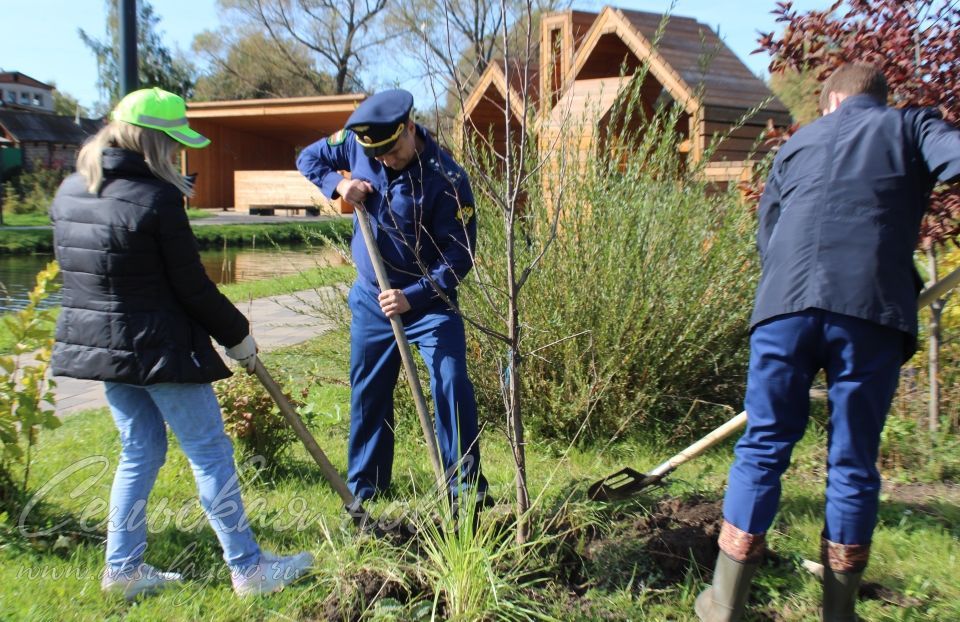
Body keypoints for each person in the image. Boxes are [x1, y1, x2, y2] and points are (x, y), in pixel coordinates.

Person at [695, 64, 960, 622]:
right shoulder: (911, 126)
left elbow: (769, 236)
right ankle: (838, 613)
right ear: (878, 99)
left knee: (763, 445)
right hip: (869, 312)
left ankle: (722, 603)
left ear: (832, 102)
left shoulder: (797, 144)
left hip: (783, 308)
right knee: (853, 459)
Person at [50, 87, 313, 600]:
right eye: (171, 145)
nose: (176, 155)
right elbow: (191, 286)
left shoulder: (69, 191)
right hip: (161, 348)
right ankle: (250, 570)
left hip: (107, 352)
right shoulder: (157, 197)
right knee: (210, 453)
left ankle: (122, 572)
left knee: (138, 451)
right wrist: (238, 339)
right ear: (151, 142)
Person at [296, 89, 488, 506]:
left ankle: (465, 491)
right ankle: (368, 490)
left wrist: (413, 297)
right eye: (376, 154)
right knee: (369, 392)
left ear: (410, 128)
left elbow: (460, 256)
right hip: (370, 298)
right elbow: (308, 158)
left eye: (392, 150)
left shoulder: (447, 179)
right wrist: (339, 184)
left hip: (430, 304)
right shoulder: (356, 142)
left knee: (451, 382)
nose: (385, 159)